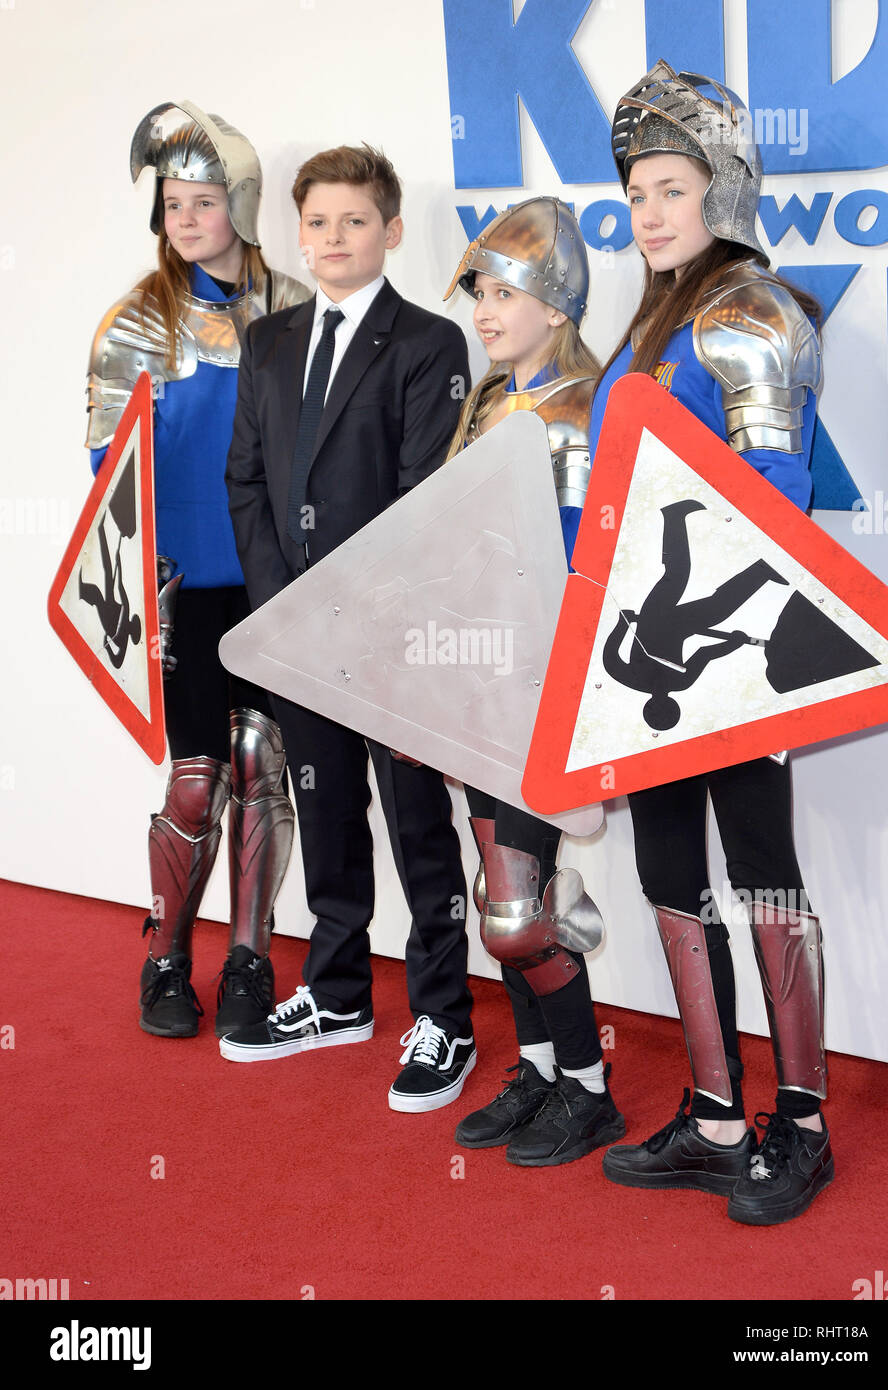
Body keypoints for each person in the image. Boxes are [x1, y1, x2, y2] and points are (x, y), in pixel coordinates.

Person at [593, 61, 830, 1224]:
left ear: (722, 190)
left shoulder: (749, 312)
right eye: (638, 191)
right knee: (670, 879)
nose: (650, 211)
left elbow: (774, 500)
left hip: (738, 657)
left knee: (765, 874)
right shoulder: (650, 325)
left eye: (672, 187)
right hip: (640, 660)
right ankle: (717, 1111)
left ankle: (805, 1123)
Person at [221, 144, 476, 1114]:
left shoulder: (429, 344)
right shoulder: (269, 343)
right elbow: (247, 481)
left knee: (419, 827)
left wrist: (359, 613)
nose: (333, 238)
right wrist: (283, 602)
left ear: (392, 230)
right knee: (324, 810)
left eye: (354, 221)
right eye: (318, 222)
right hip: (296, 628)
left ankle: (443, 1014)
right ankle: (336, 995)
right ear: (299, 233)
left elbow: (425, 501)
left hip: (394, 632)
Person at [86, 101, 309, 1041]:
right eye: (172, 201)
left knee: (267, 767)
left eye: (204, 200)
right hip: (185, 580)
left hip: (273, 579)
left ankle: (252, 957)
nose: (184, 218)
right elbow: (108, 465)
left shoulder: (296, 308)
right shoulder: (137, 322)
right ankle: (166, 956)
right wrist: (145, 577)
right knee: (197, 774)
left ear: (240, 206)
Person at [442, 198, 626, 1165]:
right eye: (481, 290)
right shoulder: (483, 402)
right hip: (476, 680)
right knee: (498, 896)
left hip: (543, 688)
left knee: (523, 909)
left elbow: (581, 568)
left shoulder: (587, 406)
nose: (485, 308)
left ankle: (590, 1089)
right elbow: (452, 548)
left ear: (555, 308)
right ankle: (545, 1071)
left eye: (504, 292)